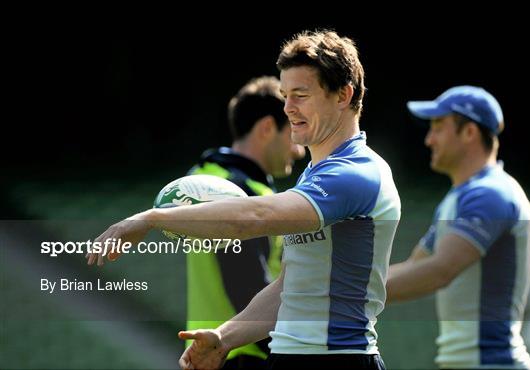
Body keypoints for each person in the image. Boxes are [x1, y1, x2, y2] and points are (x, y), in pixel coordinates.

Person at [87, 29, 400, 370]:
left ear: (344, 95)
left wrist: (151, 218)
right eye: (285, 95)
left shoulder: (357, 172)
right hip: (291, 357)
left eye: (301, 95)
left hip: (339, 360)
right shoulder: (314, 175)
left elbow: (254, 217)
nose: (288, 108)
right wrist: (225, 337)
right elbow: (288, 288)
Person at [386, 86, 530, 369]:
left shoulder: (491, 193)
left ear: (469, 133)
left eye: (439, 128)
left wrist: (347, 295)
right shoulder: (460, 198)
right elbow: (414, 266)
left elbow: (440, 270)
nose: (429, 140)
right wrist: (346, 289)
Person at [186, 76, 305, 368]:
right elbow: (247, 288)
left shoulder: (201, 176)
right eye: (293, 131)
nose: (299, 149)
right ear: (267, 128)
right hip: (244, 356)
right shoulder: (237, 193)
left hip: (210, 353)